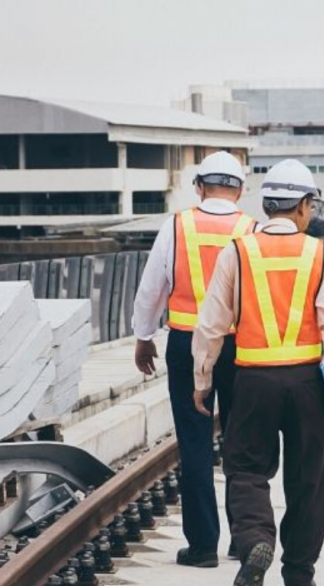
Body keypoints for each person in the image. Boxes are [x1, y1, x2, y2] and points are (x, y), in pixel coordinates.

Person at [191, 159, 324, 586]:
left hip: (252, 382)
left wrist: (203, 379)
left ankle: (254, 541)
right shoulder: (321, 254)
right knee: (310, 480)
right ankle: (299, 572)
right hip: (308, 385)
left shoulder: (238, 252)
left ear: (266, 205)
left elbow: (211, 323)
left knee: (245, 469)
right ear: (303, 205)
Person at [131, 150, 255, 568]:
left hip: (186, 344)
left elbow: (152, 288)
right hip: (240, 348)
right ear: (240, 189)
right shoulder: (251, 230)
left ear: (200, 187)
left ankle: (203, 547)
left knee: (195, 443)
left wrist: (143, 337)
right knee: (242, 442)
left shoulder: (177, 226)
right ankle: (244, 537)